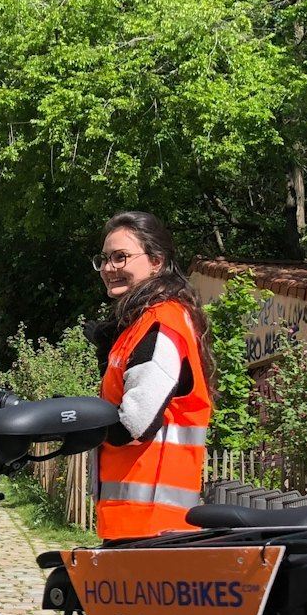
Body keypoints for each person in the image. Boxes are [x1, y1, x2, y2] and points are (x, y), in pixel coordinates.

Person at [90, 212, 214, 543]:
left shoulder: (162, 323)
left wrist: (71, 423)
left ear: (156, 261)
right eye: (103, 259)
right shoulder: (141, 324)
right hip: (137, 521)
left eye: (121, 257)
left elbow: (134, 425)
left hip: (152, 525)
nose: (108, 268)